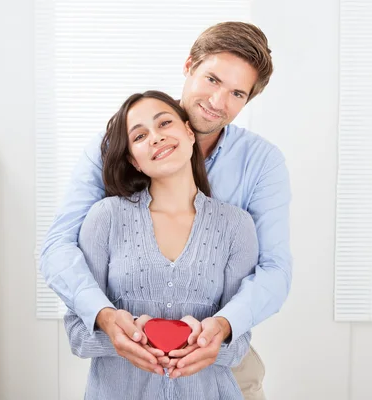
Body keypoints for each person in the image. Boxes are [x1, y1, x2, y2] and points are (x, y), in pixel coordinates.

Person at [40, 21, 292, 400]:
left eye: (237, 93)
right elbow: (58, 247)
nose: (218, 101)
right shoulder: (113, 150)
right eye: (212, 79)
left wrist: (224, 326)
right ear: (189, 65)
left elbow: (275, 269)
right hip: (124, 373)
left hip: (223, 366)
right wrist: (105, 317)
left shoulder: (261, 163)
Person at [64, 90, 258, 400]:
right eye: (139, 136)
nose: (155, 137)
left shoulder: (237, 225)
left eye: (164, 123)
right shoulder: (106, 218)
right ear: (133, 160)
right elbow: (77, 332)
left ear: (189, 132)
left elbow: (239, 342)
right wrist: (125, 341)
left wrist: (204, 345)